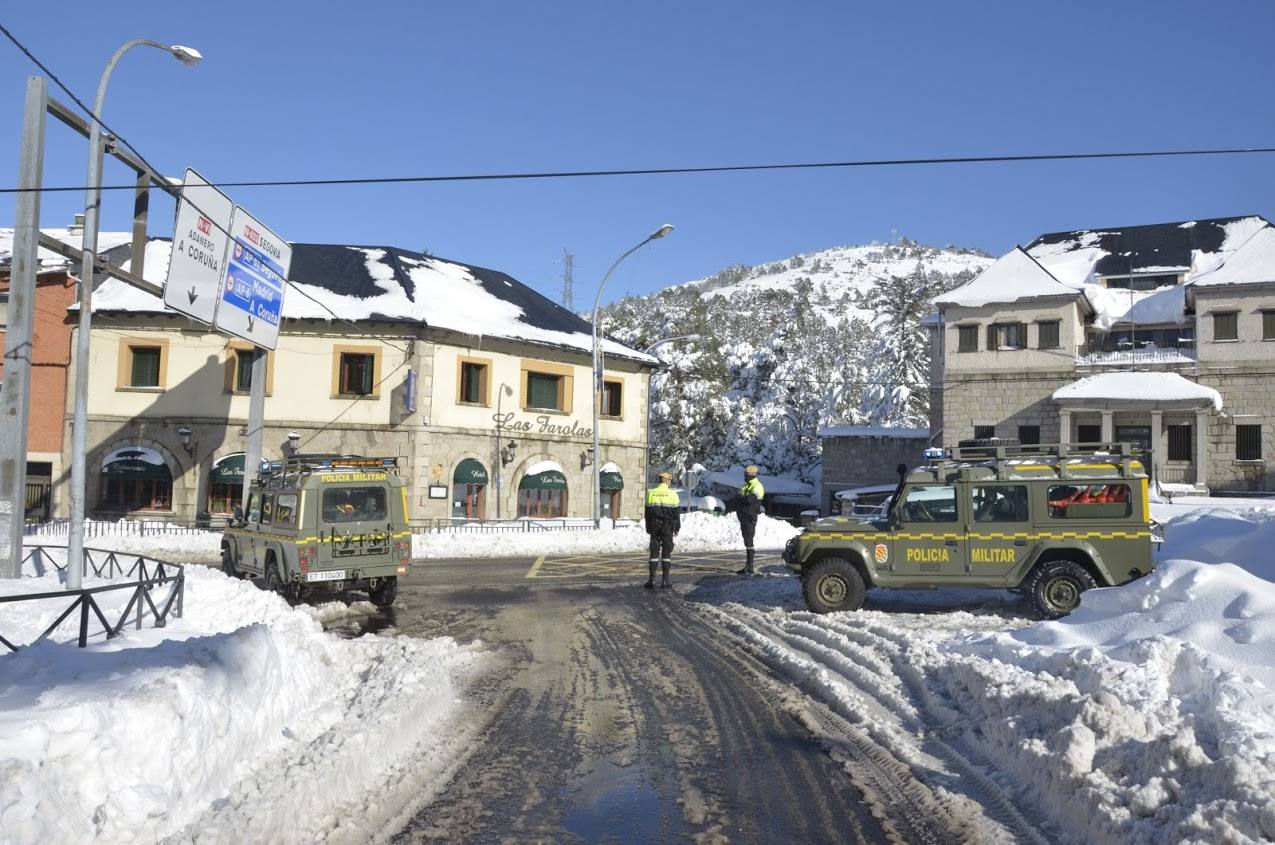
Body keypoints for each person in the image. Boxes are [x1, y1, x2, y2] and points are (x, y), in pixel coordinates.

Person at [644, 471, 681, 589]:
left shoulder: (651, 493)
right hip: (667, 527)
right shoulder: (673, 495)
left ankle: (652, 580)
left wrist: (648, 527)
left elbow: (647, 513)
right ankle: (665, 580)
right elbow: (676, 515)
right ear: (666, 481)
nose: (670, 483)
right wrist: (677, 528)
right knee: (666, 553)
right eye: (670, 481)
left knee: (654, 552)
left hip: (654, 526)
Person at [727, 465, 766, 575]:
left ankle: (750, 566)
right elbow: (738, 499)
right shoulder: (745, 486)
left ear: (750, 476)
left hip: (750, 517)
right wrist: (738, 499)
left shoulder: (758, 486)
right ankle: (747, 566)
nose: (744, 476)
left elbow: (749, 500)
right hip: (743, 517)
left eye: (745, 475)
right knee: (747, 541)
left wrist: (739, 499)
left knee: (749, 541)